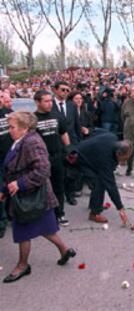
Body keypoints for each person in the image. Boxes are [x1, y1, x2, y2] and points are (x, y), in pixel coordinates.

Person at [0, 111, 76, 283]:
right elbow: (14, 169)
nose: (9, 130)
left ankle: (22, 265)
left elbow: (43, 170)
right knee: (45, 228)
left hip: (32, 197)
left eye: (12, 127)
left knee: (23, 232)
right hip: (32, 195)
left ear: (25, 128)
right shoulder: (21, 140)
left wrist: (19, 184)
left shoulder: (32, 142)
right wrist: (5, 190)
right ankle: (64, 251)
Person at [72, 132, 133, 224]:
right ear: (117, 154)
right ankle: (94, 213)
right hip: (79, 158)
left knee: (99, 180)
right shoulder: (106, 159)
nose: (123, 162)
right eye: (123, 159)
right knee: (99, 184)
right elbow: (111, 185)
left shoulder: (113, 137)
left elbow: (95, 132)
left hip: (89, 154)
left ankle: (94, 205)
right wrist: (120, 207)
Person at [34, 90, 71, 226]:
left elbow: (63, 133)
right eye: (46, 101)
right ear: (37, 102)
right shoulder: (33, 119)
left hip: (58, 157)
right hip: (41, 160)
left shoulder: (57, 115)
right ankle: (43, 216)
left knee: (58, 187)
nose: (50, 104)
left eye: (51, 100)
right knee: (42, 188)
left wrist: (69, 150)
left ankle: (59, 213)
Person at [52, 81, 81, 206]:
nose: (65, 93)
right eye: (62, 90)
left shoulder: (71, 105)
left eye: (67, 90)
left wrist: (78, 142)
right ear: (55, 90)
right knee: (58, 171)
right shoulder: (49, 105)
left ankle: (70, 194)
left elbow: (76, 125)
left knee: (72, 170)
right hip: (55, 143)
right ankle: (57, 197)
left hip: (72, 142)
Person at [0, 92, 13, 238]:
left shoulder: (9, 113)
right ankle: (2, 222)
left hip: (11, 158)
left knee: (11, 187)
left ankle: (11, 214)